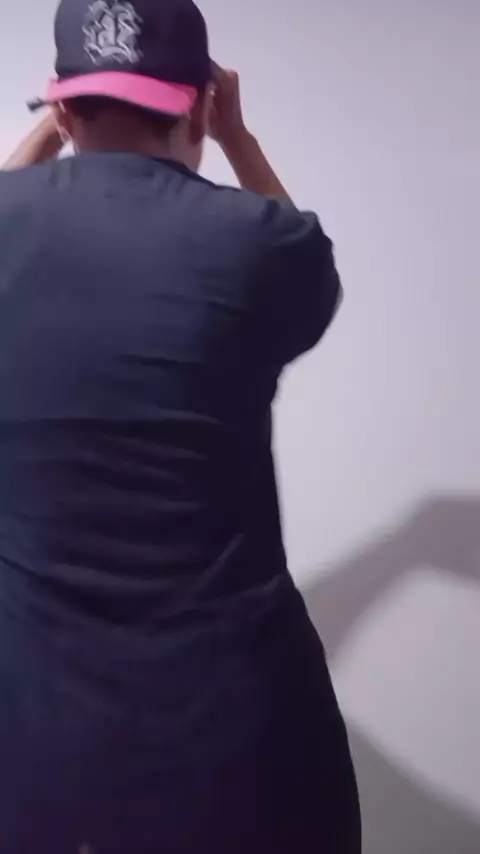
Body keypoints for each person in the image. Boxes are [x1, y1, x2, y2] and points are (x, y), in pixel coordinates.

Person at [0, 0, 361, 851]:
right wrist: (238, 139)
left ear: (63, 109)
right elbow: (312, 268)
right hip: (240, 737)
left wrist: (53, 128)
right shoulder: (258, 241)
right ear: (199, 104)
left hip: (37, 738)